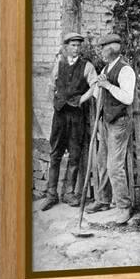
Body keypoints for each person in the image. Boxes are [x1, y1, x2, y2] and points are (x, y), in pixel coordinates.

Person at [41, 32, 97, 211]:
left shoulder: (87, 66)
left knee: (74, 154)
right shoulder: (59, 63)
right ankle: (51, 194)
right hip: (60, 115)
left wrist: (81, 100)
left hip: (76, 117)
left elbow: (94, 85)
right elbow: (51, 85)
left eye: (78, 45)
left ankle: (69, 193)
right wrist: (54, 102)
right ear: (66, 47)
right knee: (55, 154)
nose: (76, 48)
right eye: (73, 45)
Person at [85, 34, 136, 225]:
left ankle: (124, 207)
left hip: (120, 122)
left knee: (115, 166)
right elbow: (101, 95)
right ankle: (103, 200)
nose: (100, 52)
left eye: (102, 48)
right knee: (101, 161)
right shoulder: (106, 68)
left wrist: (107, 85)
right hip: (106, 122)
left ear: (111, 49)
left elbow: (127, 98)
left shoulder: (125, 70)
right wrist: (99, 87)